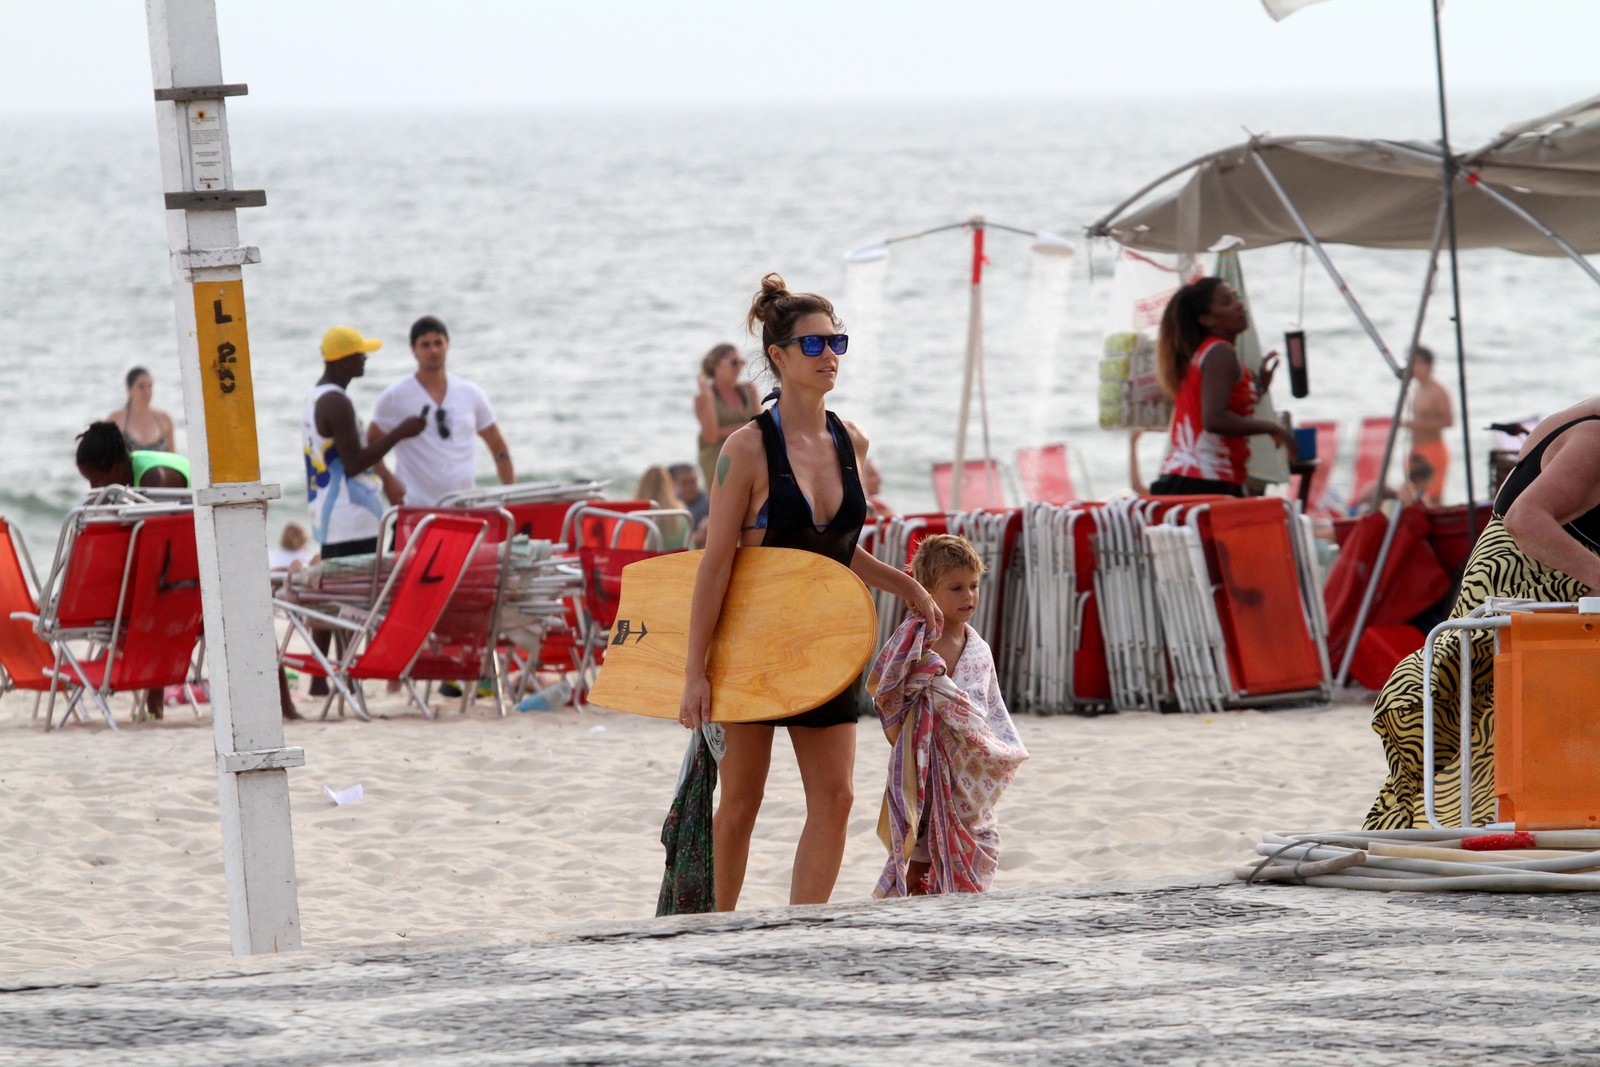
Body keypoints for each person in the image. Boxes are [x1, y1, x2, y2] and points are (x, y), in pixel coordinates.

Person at [678, 273, 941, 911]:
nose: (830, 356)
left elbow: (834, 549)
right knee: (741, 801)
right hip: (754, 643)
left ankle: (802, 929)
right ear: (778, 357)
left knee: (837, 797)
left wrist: (904, 583)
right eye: (816, 345)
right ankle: (713, 931)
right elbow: (716, 564)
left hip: (826, 643)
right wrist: (695, 672)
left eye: (838, 343)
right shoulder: (744, 451)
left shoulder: (852, 441)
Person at [1364, 399, 1600, 829]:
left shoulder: (1577, 422)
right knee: (1498, 745)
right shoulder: (1594, 440)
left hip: (1507, 600)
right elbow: (1525, 520)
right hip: (1524, 604)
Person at [868, 534, 1027, 897]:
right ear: (924, 590)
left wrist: (989, 744)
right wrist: (926, 687)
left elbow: (990, 709)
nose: (968, 596)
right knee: (921, 849)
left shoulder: (978, 648)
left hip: (966, 771)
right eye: (955, 588)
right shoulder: (917, 638)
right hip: (928, 767)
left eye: (973, 586)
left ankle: (956, 902)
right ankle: (902, 902)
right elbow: (886, 688)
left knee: (976, 841)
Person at [304, 325, 426, 699]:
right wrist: (400, 433)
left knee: (330, 592)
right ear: (343, 360)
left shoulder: (319, 397)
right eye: (360, 354)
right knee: (353, 595)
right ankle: (343, 673)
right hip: (348, 513)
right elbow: (355, 462)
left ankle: (324, 677)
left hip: (333, 512)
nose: (365, 359)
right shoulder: (336, 402)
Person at [1148, 277, 1296, 497]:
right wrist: (1272, 428)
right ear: (1207, 319)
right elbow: (1215, 419)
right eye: (1227, 302)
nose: (1239, 304)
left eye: (1236, 297)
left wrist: (1259, 387)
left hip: (1187, 479)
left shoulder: (1205, 352)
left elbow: (1222, 406)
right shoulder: (1220, 353)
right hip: (1204, 482)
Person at [369, 316, 516, 506]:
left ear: (448, 345)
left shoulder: (470, 393)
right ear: (414, 349)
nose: (433, 350)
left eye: (439, 343)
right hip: (416, 507)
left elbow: (499, 448)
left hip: (465, 505)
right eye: (425, 345)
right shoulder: (395, 396)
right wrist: (388, 481)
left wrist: (511, 498)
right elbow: (371, 443)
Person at [694, 342, 760, 493]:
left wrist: (723, 431)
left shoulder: (749, 390)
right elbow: (711, 436)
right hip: (718, 463)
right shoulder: (703, 399)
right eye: (734, 362)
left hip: (749, 458)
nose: (739, 367)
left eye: (742, 362)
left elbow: (761, 426)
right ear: (716, 365)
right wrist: (708, 396)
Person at [1404, 346, 1454, 507]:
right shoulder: (1417, 389)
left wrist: (1417, 425)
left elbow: (1448, 421)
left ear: (1429, 365)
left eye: (1417, 363)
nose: (1414, 367)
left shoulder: (1438, 390)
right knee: (1416, 497)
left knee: (1434, 498)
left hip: (1433, 448)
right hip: (1417, 450)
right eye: (1411, 363)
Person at [75, 421, 190, 490]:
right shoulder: (125, 464)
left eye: (96, 480)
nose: (93, 488)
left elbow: (157, 527)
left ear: (116, 469)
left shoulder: (154, 479)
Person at [107, 366, 177, 453]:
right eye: (141, 387)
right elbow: (107, 458)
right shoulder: (116, 419)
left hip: (160, 466)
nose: (147, 391)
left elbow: (174, 459)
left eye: (150, 386)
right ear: (129, 390)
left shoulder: (164, 419)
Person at [633, 465, 690, 549]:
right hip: (677, 560)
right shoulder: (682, 513)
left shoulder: (634, 516)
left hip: (645, 560)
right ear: (670, 486)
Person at [668, 462, 711, 541]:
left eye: (693, 482)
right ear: (673, 485)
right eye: (685, 483)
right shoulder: (669, 506)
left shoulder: (708, 502)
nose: (690, 487)